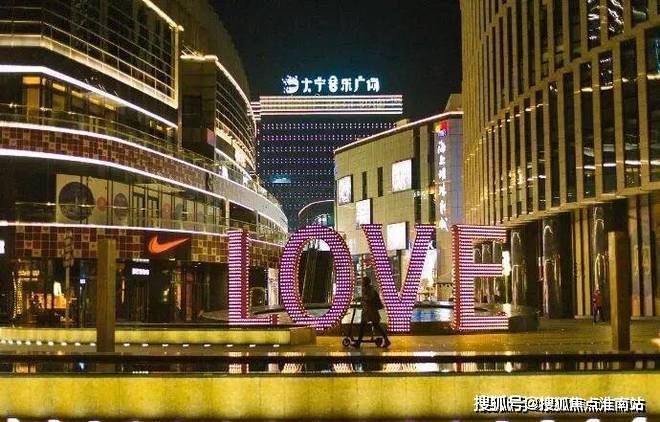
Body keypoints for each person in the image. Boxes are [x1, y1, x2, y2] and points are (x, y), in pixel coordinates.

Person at [355, 276, 391, 348]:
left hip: (370, 312)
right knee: (373, 326)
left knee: (372, 326)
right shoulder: (368, 289)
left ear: (366, 282)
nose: (362, 283)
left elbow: (369, 299)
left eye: (363, 281)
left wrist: (361, 298)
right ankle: (358, 343)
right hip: (369, 312)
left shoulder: (370, 289)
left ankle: (358, 343)